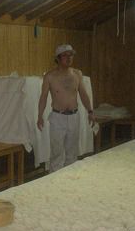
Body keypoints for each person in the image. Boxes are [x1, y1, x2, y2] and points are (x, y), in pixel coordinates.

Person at [37, 44, 96, 172]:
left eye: (71, 55)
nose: (69, 58)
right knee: (57, 153)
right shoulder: (50, 76)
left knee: (72, 153)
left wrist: (90, 111)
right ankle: (54, 183)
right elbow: (43, 97)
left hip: (74, 117)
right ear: (58, 58)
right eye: (65, 55)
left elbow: (84, 94)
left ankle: (69, 181)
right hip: (58, 118)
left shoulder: (77, 74)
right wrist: (39, 116)